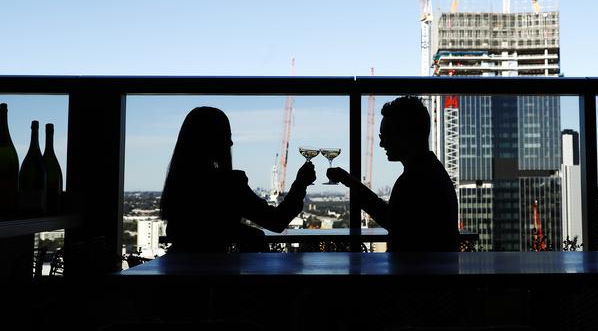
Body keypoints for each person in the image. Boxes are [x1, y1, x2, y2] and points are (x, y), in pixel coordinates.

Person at [160, 106, 316, 253]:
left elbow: (186, 231)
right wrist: (300, 184)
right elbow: (276, 221)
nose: (231, 143)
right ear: (213, 140)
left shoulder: (179, 183)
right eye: (227, 136)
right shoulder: (229, 184)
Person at [327, 95, 459, 252]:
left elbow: (392, 220)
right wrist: (350, 181)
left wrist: (350, 182)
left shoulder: (414, 179)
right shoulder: (431, 172)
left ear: (405, 134)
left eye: (385, 135)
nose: (382, 143)